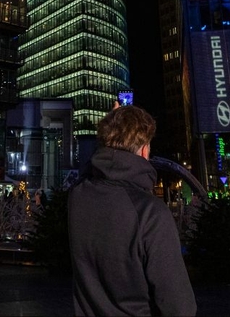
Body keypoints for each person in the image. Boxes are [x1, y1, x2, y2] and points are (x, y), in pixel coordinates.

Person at [68, 105, 196, 316]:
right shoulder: (150, 212)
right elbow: (179, 305)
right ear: (145, 149)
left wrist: (113, 123)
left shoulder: (78, 197)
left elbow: (90, 170)